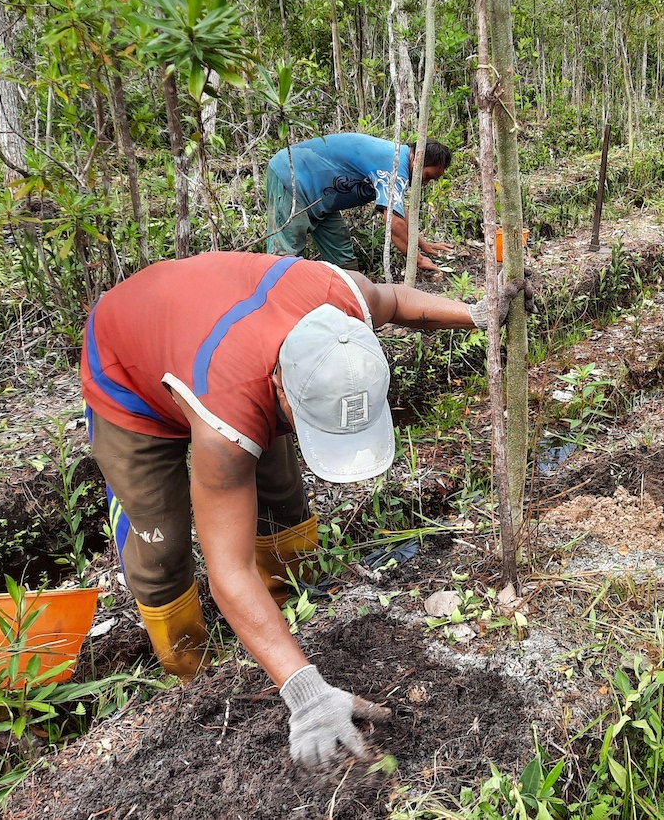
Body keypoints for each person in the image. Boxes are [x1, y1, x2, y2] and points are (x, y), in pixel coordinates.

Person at [80, 251, 534, 767]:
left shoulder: (346, 303)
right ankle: (194, 671)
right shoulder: (228, 415)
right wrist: (306, 694)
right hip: (128, 368)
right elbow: (226, 571)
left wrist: (475, 312)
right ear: (281, 389)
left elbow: (399, 300)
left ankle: (287, 612)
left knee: (283, 508)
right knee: (161, 545)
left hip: (218, 334)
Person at [267, 133, 453, 274]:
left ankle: (347, 301)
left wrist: (422, 244)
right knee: (285, 256)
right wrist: (418, 261)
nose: (425, 183)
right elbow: (393, 224)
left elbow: (398, 211)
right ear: (418, 158)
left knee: (342, 253)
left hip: (323, 198)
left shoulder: (398, 160)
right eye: (427, 176)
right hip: (293, 178)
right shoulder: (394, 164)